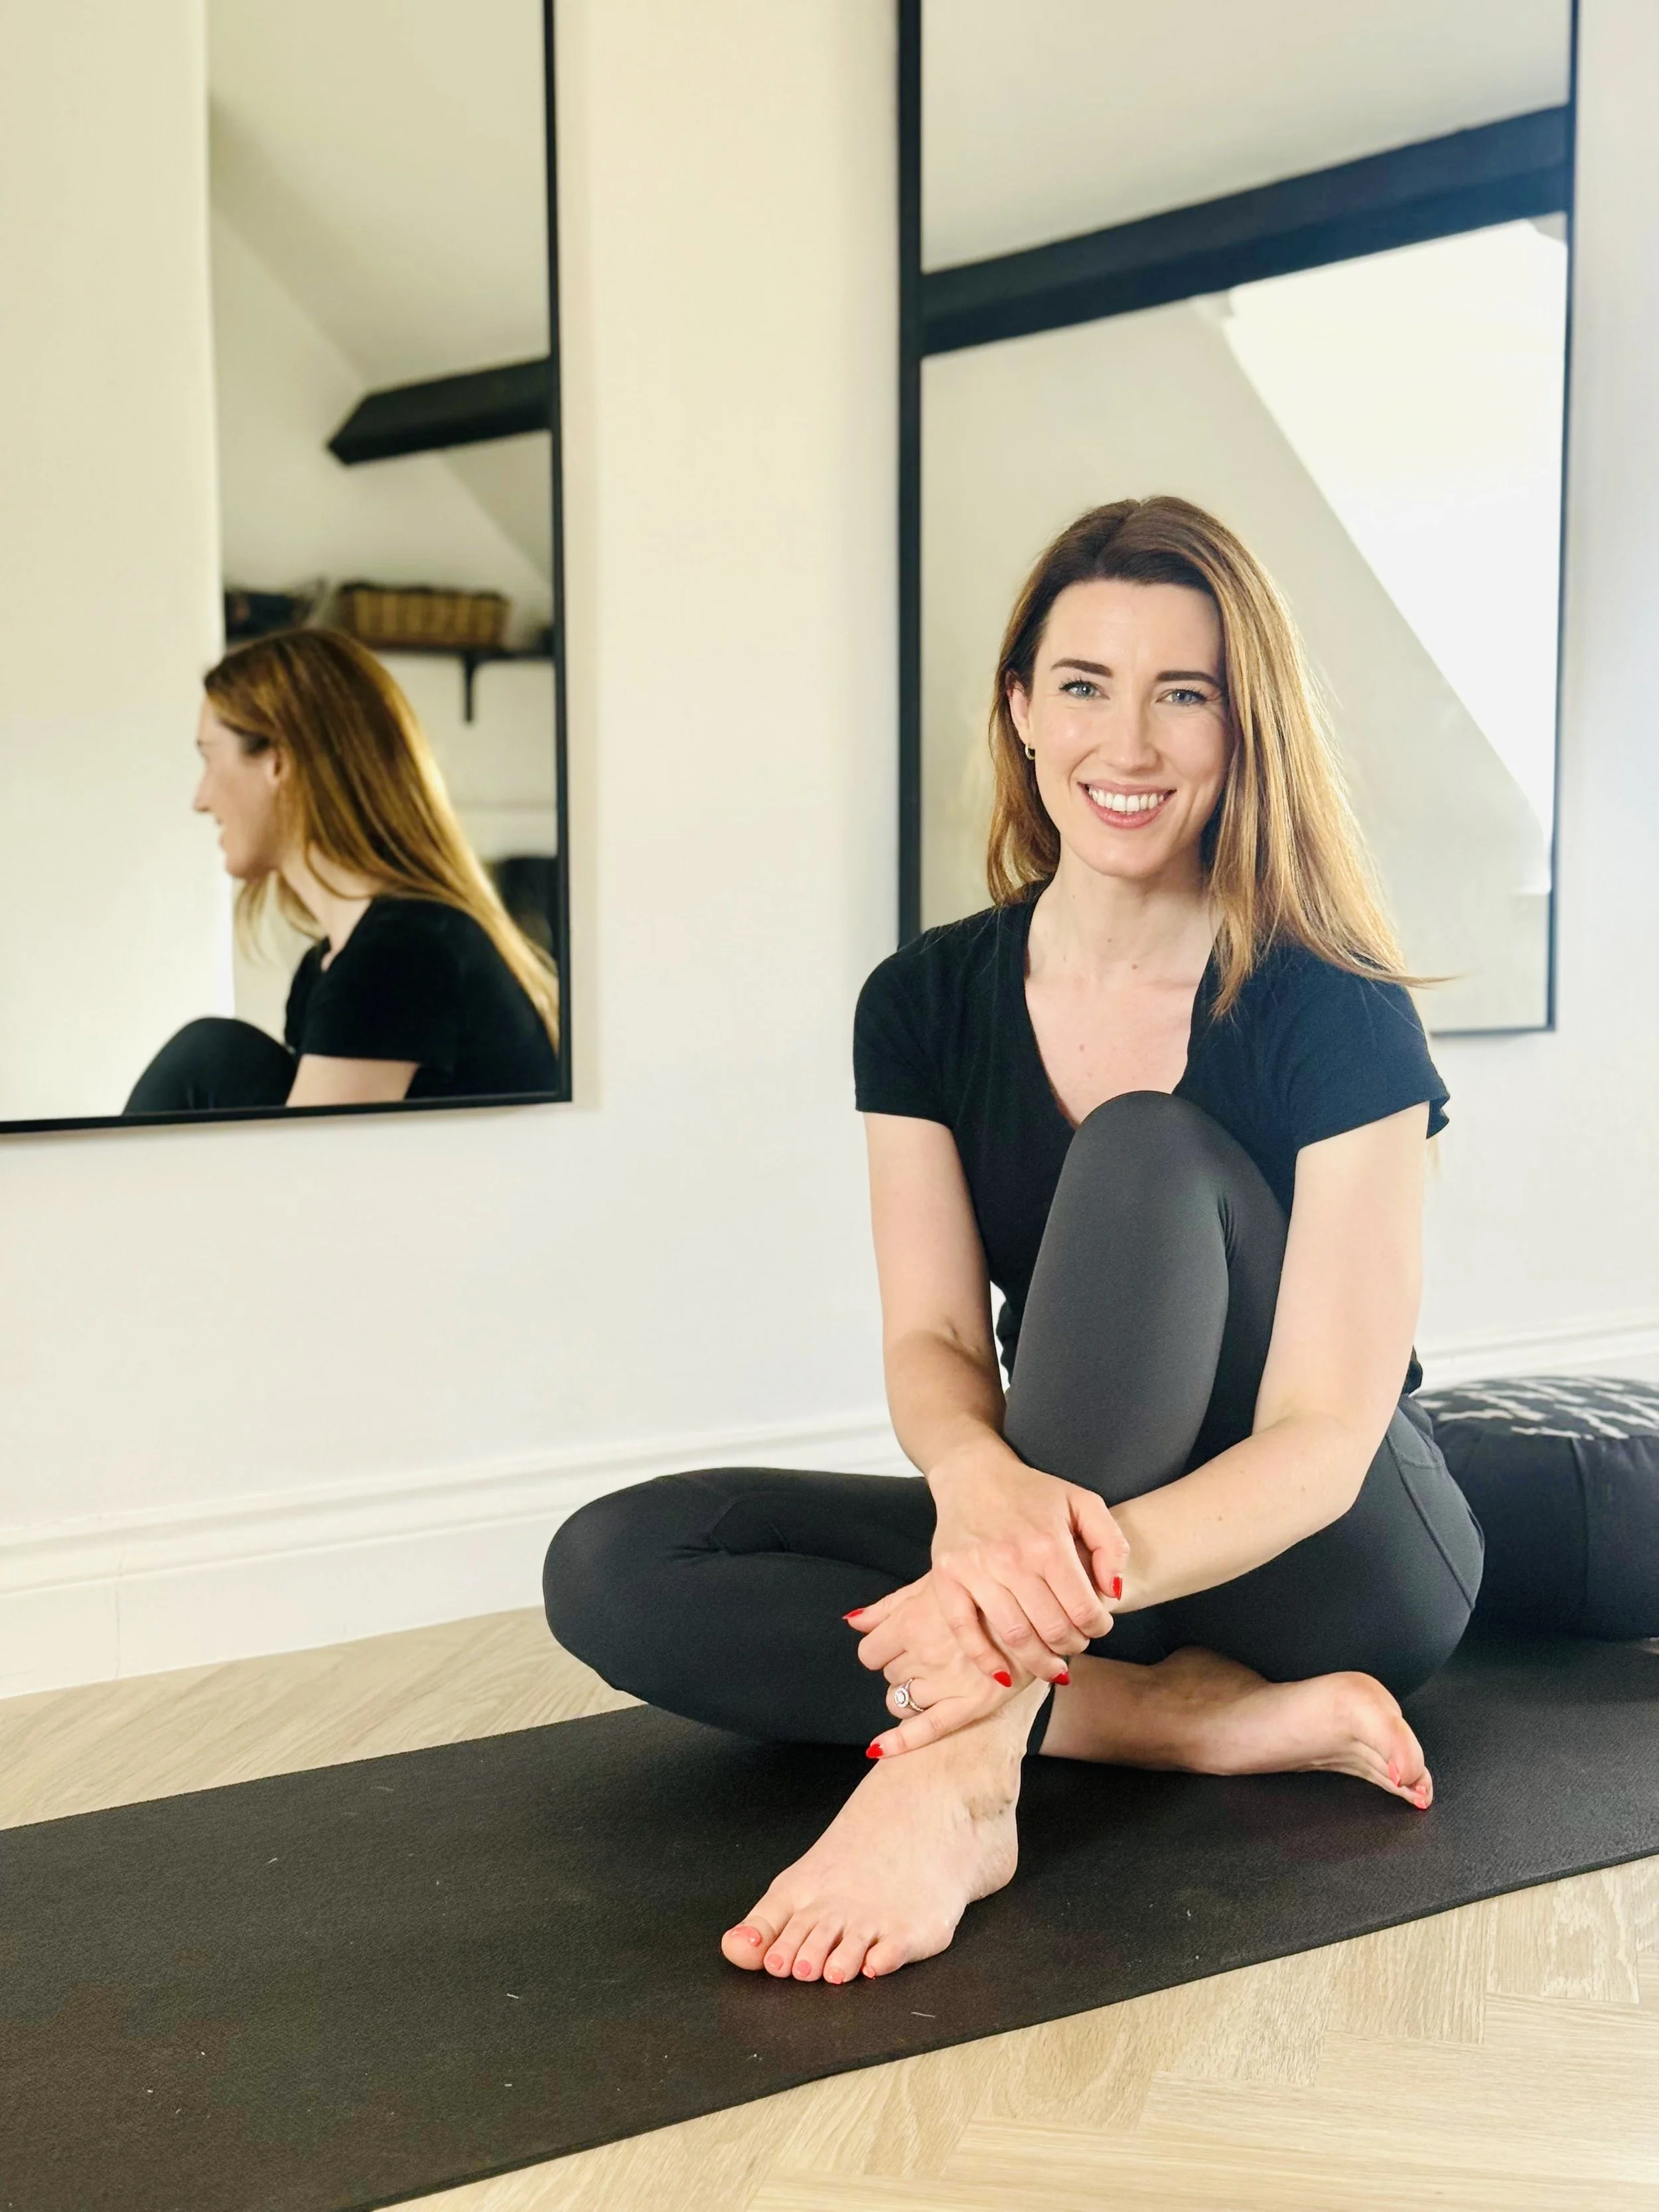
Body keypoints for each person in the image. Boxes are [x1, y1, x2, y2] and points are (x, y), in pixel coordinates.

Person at [541, 496, 1484, 1986]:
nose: (1128, 744)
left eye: (1184, 694)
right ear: (1019, 709)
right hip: (1096, 1567)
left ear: (1244, 732)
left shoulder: (1331, 1005)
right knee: (619, 1560)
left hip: (1333, 1547)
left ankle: (964, 1775)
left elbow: (1320, 1434)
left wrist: (1014, 1601)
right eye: (1083, 687)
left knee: (1138, 1152)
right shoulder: (920, 1002)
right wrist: (979, 1493)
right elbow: (930, 1340)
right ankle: (1170, 1716)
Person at [125, 628, 560, 1114]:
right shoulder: (335, 966)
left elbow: (319, 1183)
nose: (200, 799)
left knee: (210, 1056)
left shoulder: (400, 953)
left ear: (278, 762)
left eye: (210, 758)